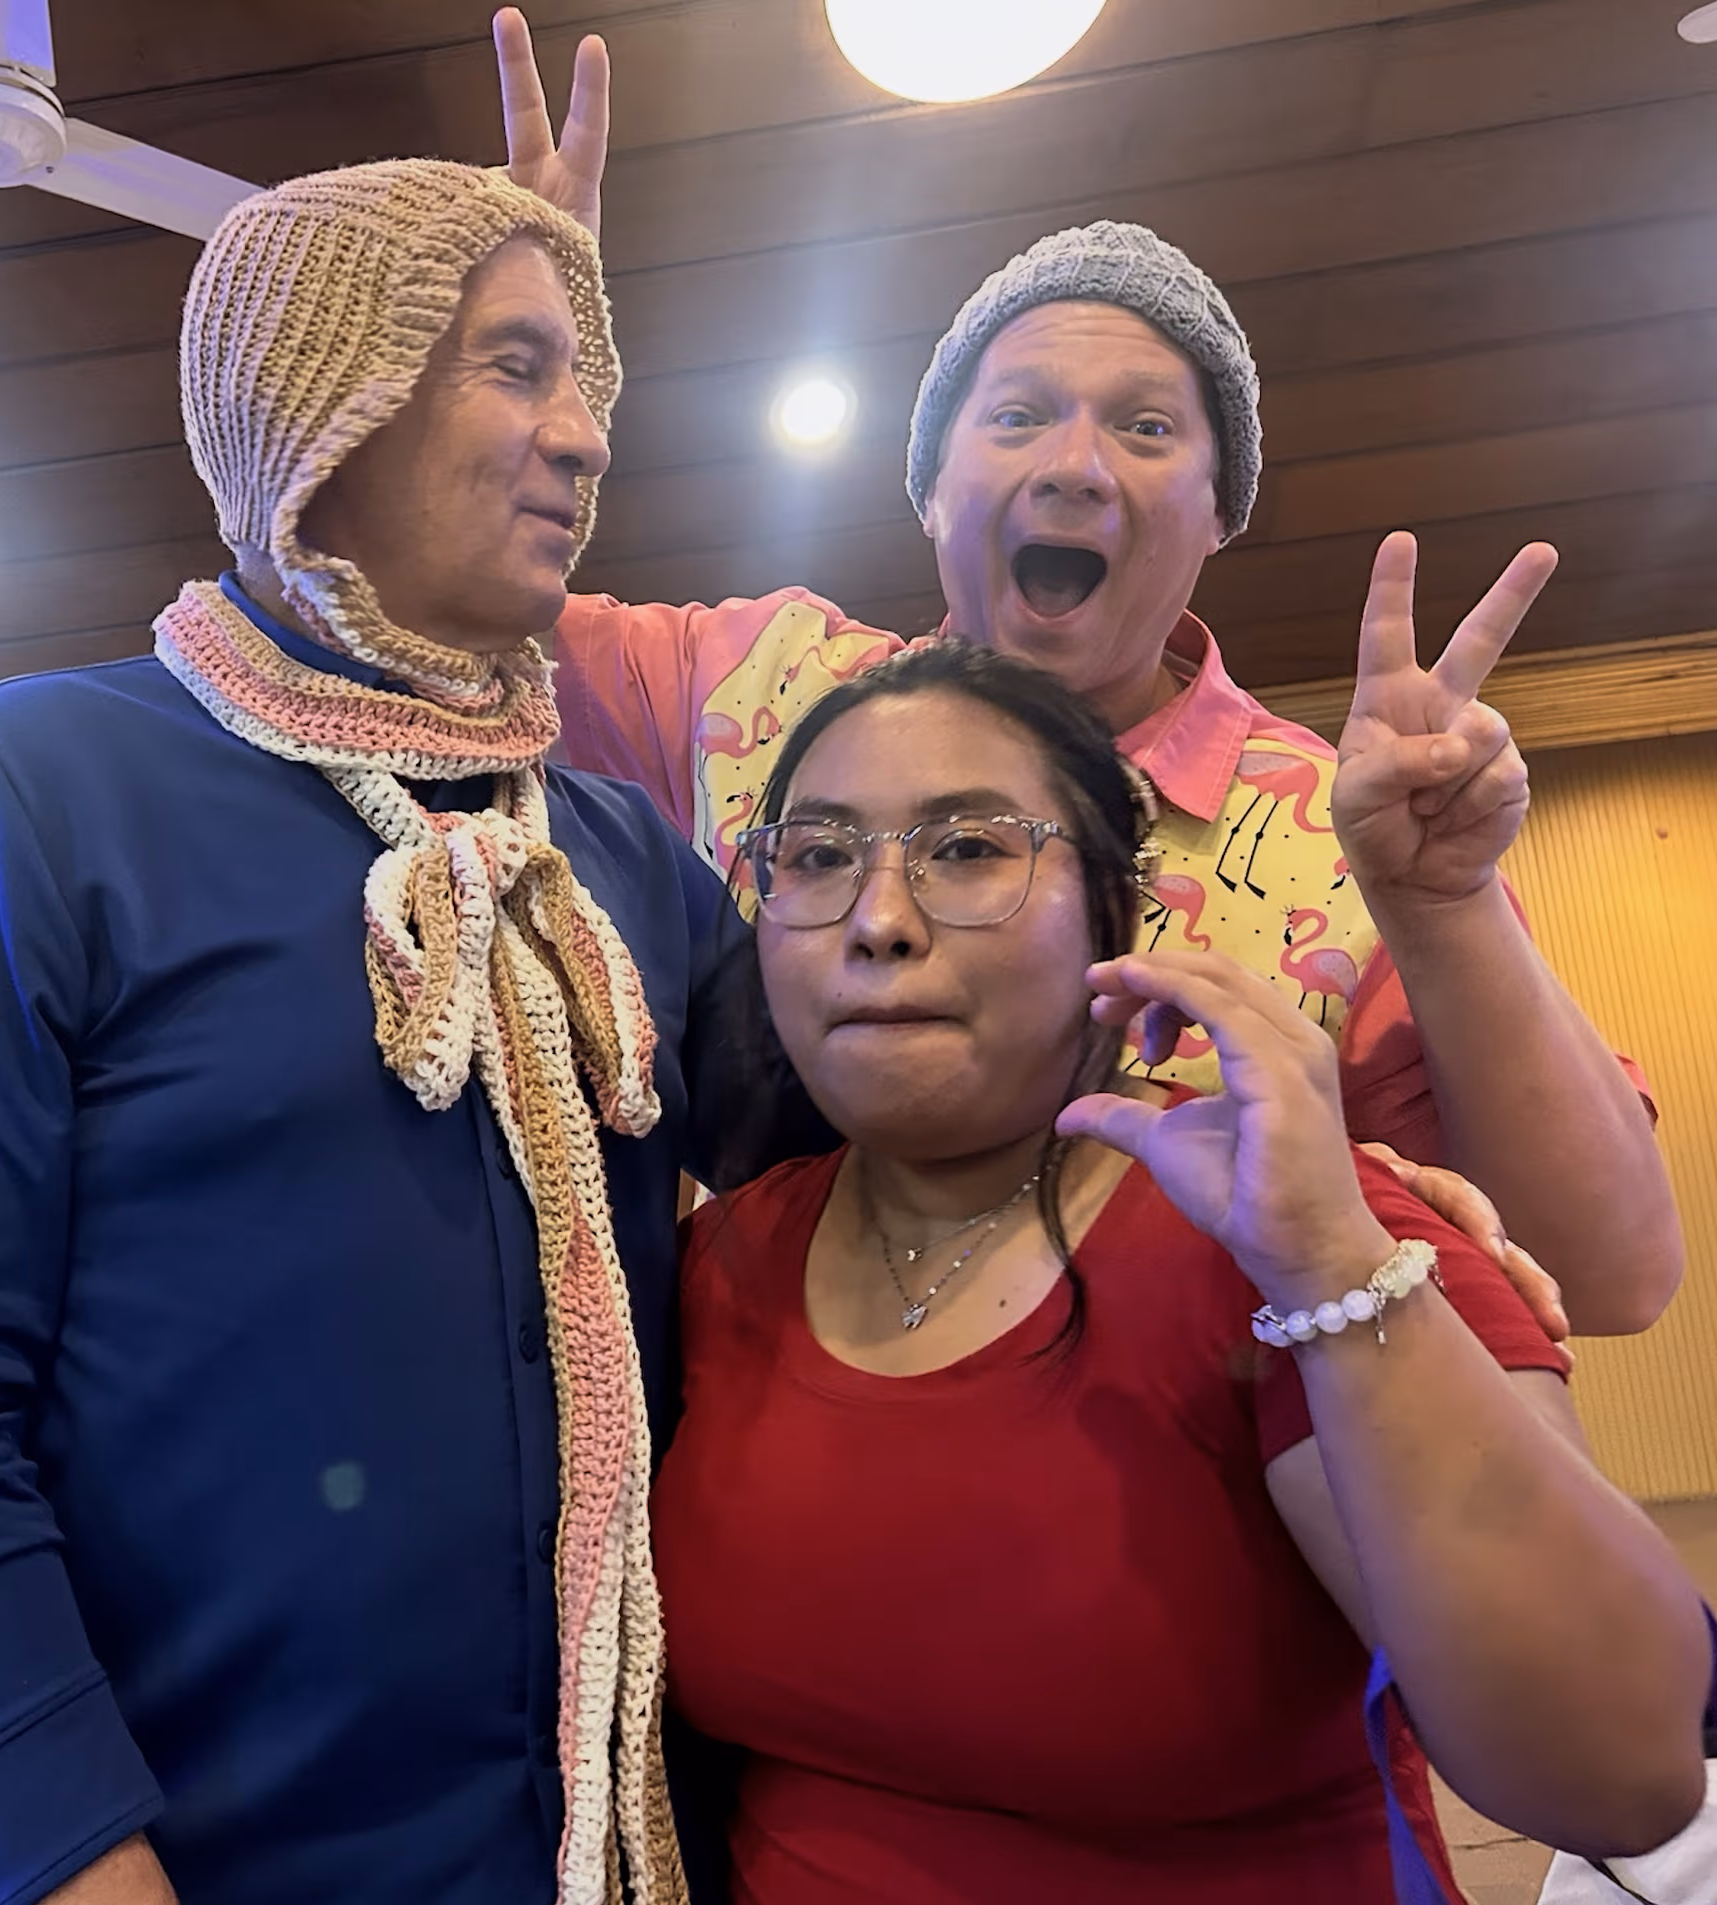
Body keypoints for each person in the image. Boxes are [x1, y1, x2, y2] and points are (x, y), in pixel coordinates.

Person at [0, 161, 821, 1905]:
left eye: (589, 382)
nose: (585, 436)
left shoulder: (626, 861)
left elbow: (878, 1179)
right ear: (326, 401)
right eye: (516, 366)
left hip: (654, 1858)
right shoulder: (33, 790)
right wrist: (77, 1859)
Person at [489, 8, 1683, 1340]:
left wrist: (1445, 904)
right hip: (767, 1440)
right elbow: (417, 616)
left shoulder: (1347, 838)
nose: (1074, 464)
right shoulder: (754, 684)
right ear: (932, 489)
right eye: (1015, 417)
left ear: (1218, 512)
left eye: (1147, 426)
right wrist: (526, 361)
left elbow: (1613, 1274)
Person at [649, 639, 1713, 1904]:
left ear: (1115, 906)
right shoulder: (710, 1268)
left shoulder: (1281, 1216)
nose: (879, 922)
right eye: (818, 858)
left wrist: (1329, 1258)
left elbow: (1622, 1768)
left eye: (970, 849)